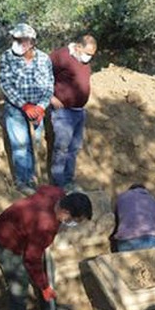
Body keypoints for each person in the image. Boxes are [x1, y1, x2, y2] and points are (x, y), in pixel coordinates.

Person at [0, 186, 92, 310]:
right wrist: (44, 287)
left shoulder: (57, 194)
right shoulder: (44, 226)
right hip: (5, 242)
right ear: (65, 212)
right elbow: (31, 260)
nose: (74, 224)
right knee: (19, 289)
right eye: (75, 220)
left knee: (43, 270)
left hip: (19, 229)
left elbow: (43, 188)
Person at [0, 23, 54, 195]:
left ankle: (33, 179)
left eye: (19, 39)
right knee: (20, 145)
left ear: (31, 42)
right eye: (14, 38)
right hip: (15, 109)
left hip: (37, 109)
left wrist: (40, 107)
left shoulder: (44, 59)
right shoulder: (7, 57)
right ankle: (22, 182)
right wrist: (24, 105)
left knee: (34, 144)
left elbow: (49, 85)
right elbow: (6, 85)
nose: (15, 42)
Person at [48, 34, 97, 192]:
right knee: (61, 147)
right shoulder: (61, 56)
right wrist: (50, 97)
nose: (88, 57)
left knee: (74, 148)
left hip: (79, 112)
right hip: (63, 112)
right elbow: (43, 73)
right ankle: (58, 184)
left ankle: (69, 180)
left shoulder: (83, 62)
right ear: (78, 47)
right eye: (87, 53)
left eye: (91, 55)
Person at [113, 183, 155, 252]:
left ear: (130, 190)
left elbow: (116, 221)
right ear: (145, 191)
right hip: (148, 241)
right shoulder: (152, 200)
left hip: (124, 243)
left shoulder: (121, 199)